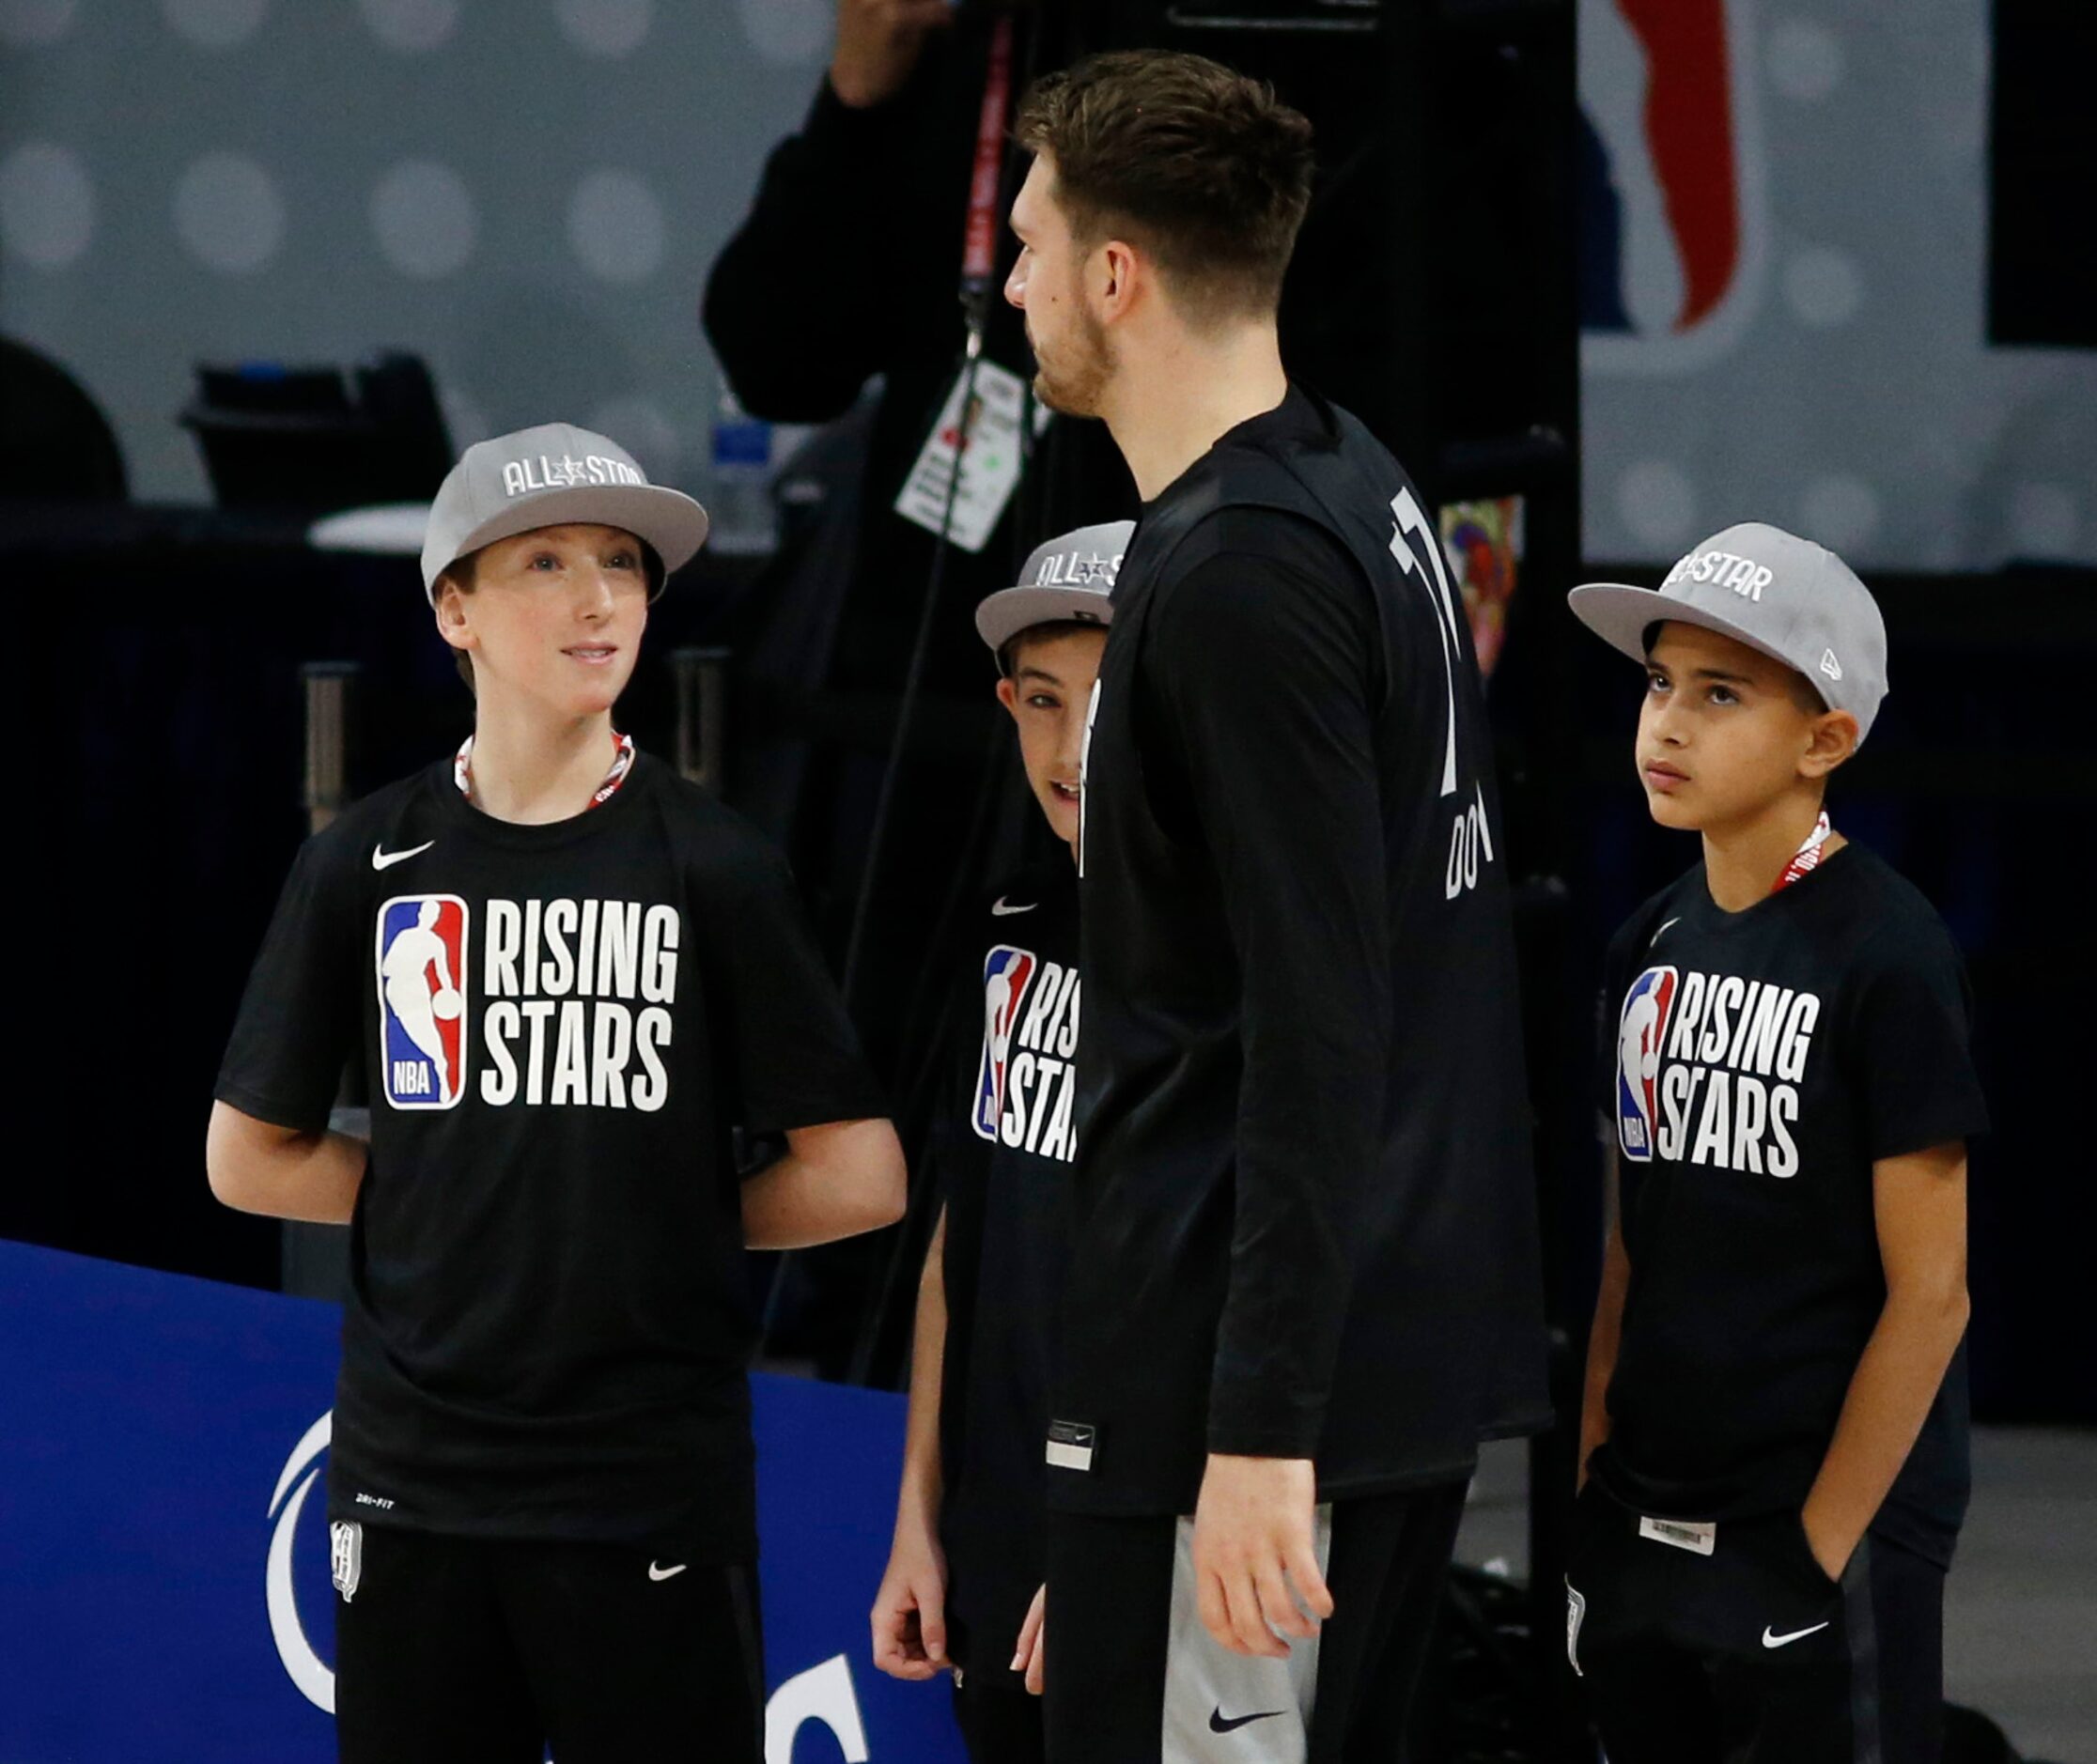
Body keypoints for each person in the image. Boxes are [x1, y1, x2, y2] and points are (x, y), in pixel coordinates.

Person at [206, 422, 907, 1764]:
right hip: (416, 1489)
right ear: (453, 607)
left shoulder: (717, 866)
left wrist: (654, 1207)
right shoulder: (370, 862)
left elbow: (862, 1170)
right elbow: (247, 1154)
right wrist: (447, 1188)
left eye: (623, 564)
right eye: (545, 561)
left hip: (646, 1493)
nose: (598, 599)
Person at [1001, 52, 1549, 1761]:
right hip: (1323, 1372)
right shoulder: (1351, 477)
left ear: (1117, 273)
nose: (1007, 283)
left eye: (1029, 244)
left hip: (1244, 1404)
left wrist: (1250, 1434)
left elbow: (1322, 1032)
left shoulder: (1244, 571)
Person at [1565, 525, 1987, 1764]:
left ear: (1826, 740)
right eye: (1658, 682)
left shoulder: (1890, 954)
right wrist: (1597, 1492)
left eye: (1721, 692)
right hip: (1649, 1518)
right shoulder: (1645, 943)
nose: (1670, 723)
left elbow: (1934, 1293)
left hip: (1813, 1531)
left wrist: (1819, 1549)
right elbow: (1626, 1256)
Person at [869, 520, 1126, 1763]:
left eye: (1109, 699)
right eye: (1041, 700)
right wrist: (921, 1514)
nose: (1071, 745)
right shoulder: (1012, 931)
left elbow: (1251, 1285)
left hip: (1145, 1530)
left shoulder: (1243, 961)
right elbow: (953, 1245)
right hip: (997, 1528)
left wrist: (1123, 1543)